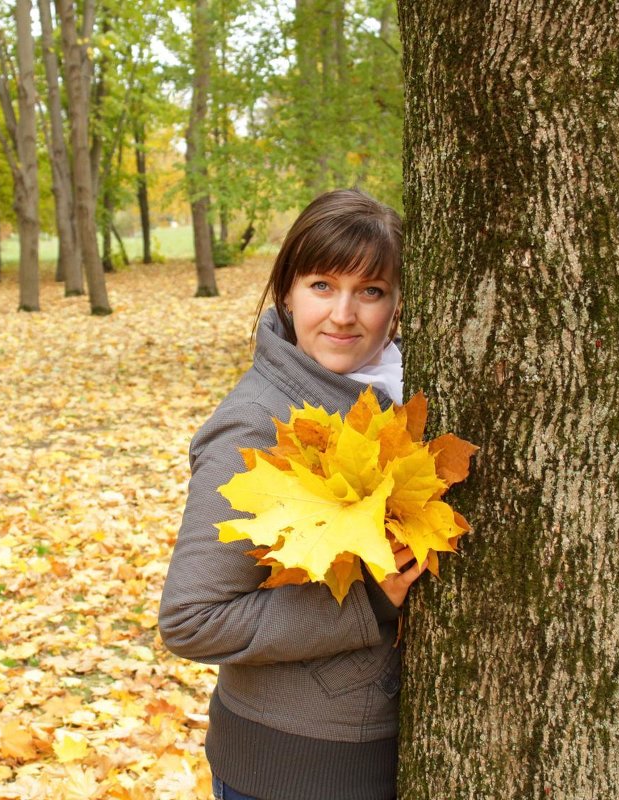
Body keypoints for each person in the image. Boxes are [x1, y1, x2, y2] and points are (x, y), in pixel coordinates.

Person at [158, 189, 430, 800]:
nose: (343, 314)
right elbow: (190, 620)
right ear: (286, 291)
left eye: (371, 291)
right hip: (295, 770)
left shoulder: (396, 392)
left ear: (396, 303)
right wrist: (366, 600)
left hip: (376, 748)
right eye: (322, 286)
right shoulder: (258, 424)